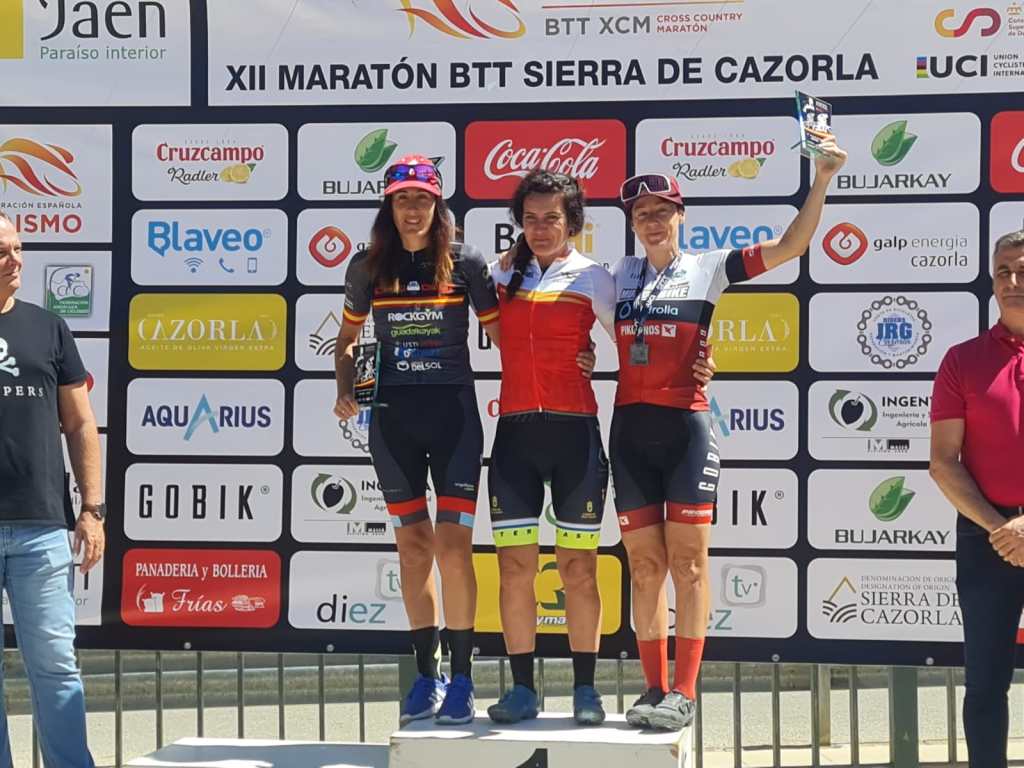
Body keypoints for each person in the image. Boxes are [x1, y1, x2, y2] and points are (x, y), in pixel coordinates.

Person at [332, 157, 596, 725]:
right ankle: (425, 676)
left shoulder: (466, 261)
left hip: (453, 418)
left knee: (453, 549)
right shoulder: (366, 266)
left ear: (438, 205)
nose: (412, 210)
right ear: (389, 206)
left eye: (422, 199)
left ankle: (462, 679)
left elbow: (509, 333)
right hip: (392, 423)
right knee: (412, 550)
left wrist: (576, 353)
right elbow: (348, 338)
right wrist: (345, 388)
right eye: (402, 199)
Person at [612, 141, 847, 730]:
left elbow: (791, 247)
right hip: (629, 430)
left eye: (663, 211)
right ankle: (652, 688)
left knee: (689, 565)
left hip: (686, 428)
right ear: (632, 223)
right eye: (642, 214)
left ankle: (684, 692)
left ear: (681, 215)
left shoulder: (709, 266)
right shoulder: (616, 275)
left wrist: (821, 180)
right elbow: (551, 289)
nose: (653, 221)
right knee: (644, 568)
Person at [0, 210, 105, 767]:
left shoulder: (49, 327)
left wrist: (92, 509)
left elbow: (81, 423)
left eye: (18, 248)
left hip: (41, 527)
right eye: (2, 252)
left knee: (57, 668)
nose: (15, 260)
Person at [929, 230, 1024, 768]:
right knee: (986, 684)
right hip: (986, 538)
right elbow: (943, 461)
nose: (1012, 282)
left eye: (1023, 271)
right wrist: (1002, 528)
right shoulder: (962, 360)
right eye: (1003, 272)